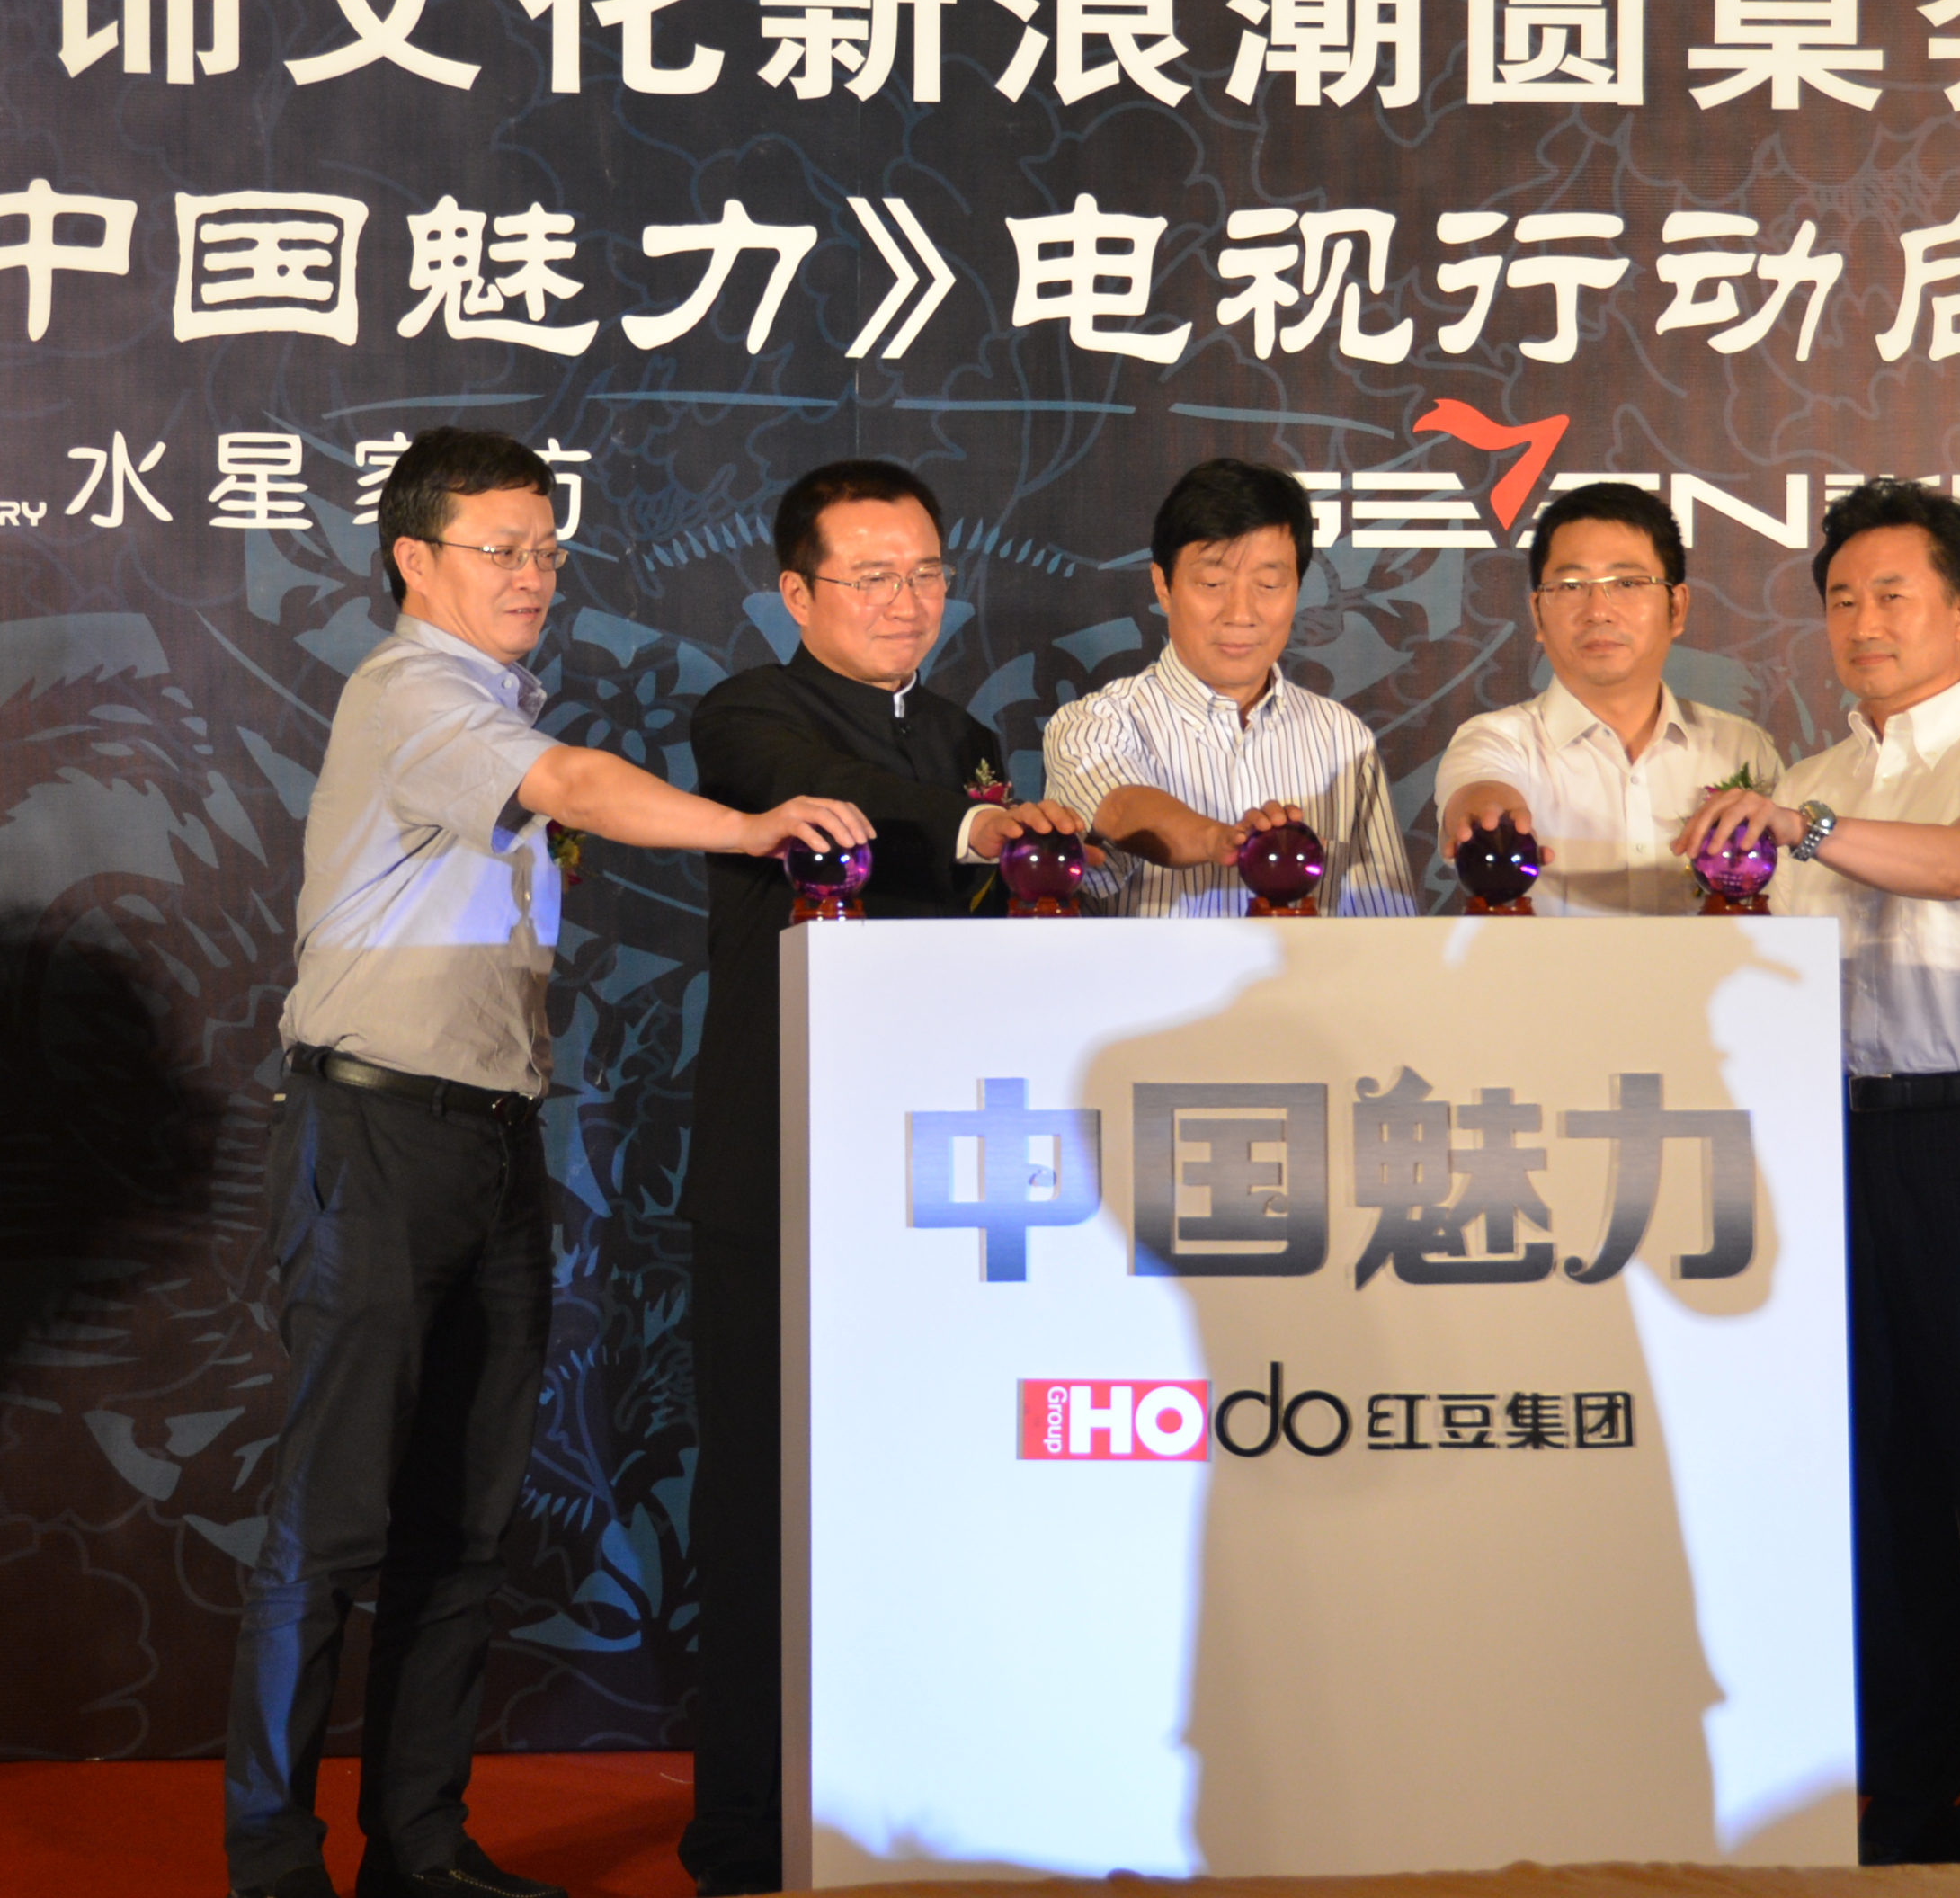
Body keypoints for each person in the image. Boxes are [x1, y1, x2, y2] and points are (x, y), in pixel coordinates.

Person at [229, 431, 873, 1898]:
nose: (532, 574)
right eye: (500, 549)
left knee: (462, 1526)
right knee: (331, 1525)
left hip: (490, 1141)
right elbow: (574, 783)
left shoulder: (489, 700)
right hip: (373, 1139)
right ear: (414, 558)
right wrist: (751, 827)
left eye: (545, 549)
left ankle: (420, 1845)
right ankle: (272, 1855)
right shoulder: (411, 691)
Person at [678, 459, 1092, 1894]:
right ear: (797, 594)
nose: (906, 602)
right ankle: (743, 1833)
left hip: (934, 1193)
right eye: (871, 577)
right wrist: (981, 828)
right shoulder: (748, 713)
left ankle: (914, 1810)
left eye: (925, 574)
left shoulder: (969, 734)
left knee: (927, 1501)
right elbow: (833, 799)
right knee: (764, 1509)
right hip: (781, 1178)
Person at [1671, 477, 1960, 1866]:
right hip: (1835, 1145)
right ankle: (1903, 1788)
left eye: (1892, 595)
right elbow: (1760, 955)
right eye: (1842, 599)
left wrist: (1799, 833)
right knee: (1875, 1484)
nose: (1864, 623)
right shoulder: (1810, 779)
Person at [1042, 456, 1416, 917]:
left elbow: (1384, 920)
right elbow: (1121, 809)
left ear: (1298, 587)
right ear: (1163, 585)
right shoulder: (1093, 723)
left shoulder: (1343, 738)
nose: (1241, 613)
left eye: (1269, 584)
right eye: (1212, 582)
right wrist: (1220, 840)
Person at [1431, 478, 1781, 912]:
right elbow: (1477, 790)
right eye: (1570, 585)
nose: (1598, 611)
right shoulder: (1497, 740)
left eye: (1628, 583)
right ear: (1537, 612)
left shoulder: (1743, 748)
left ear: (1676, 607)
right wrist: (1489, 815)